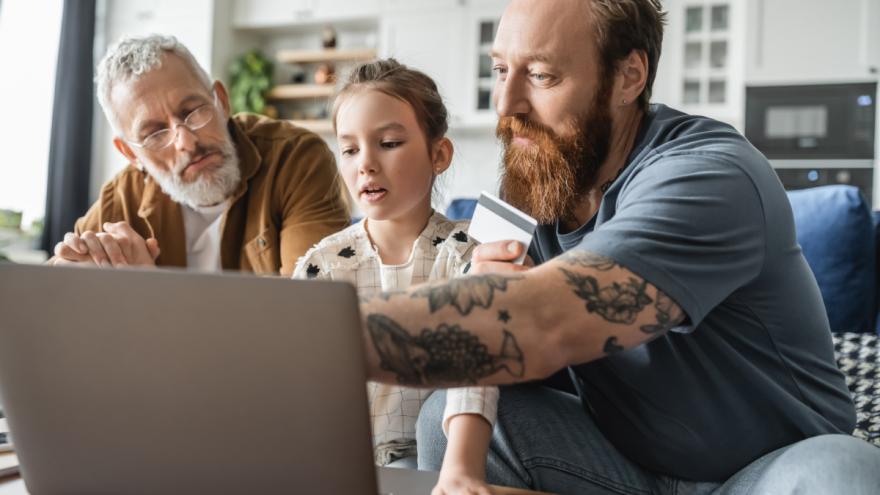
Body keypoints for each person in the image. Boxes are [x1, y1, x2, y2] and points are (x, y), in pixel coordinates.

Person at [352, 1, 880, 494]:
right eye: (499, 70)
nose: (506, 104)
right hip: (624, 463)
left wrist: (326, 337)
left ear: (629, 77)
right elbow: (495, 341)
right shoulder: (540, 172)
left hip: (759, 471)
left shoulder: (708, 174)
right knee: (448, 413)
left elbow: (546, 322)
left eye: (541, 75)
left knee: (842, 471)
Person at [293, 59, 499, 495]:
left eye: (387, 142)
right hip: (337, 462)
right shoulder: (324, 264)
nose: (365, 164)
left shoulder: (465, 253)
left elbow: (474, 370)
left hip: (430, 461)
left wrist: (461, 470)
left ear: (438, 155)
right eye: (349, 150)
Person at [49, 34, 349, 276]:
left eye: (193, 111)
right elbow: (44, 303)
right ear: (130, 153)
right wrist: (74, 270)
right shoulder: (122, 198)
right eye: (155, 134)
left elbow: (309, 310)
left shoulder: (296, 159)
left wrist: (146, 291)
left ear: (221, 100)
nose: (186, 142)